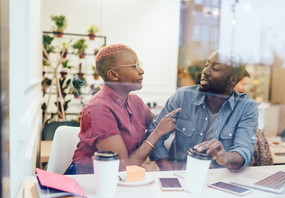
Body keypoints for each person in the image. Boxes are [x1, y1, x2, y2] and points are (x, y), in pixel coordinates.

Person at [68, 43, 181, 174]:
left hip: (119, 179)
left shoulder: (136, 102)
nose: (141, 71)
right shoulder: (98, 108)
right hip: (90, 179)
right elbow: (122, 167)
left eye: (139, 65)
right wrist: (157, 134)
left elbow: (160, 124)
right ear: (114, 75)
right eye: (134, 66)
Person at [148, 50, 258, 171]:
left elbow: (244, 152)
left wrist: (224, 157)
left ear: (233, 80)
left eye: (216, 68)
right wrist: (168, 170)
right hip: (179, 177)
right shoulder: (183, 96)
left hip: (218, 181)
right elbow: (154, 133)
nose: (205, 72)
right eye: (206, 65)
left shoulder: (246, 107)